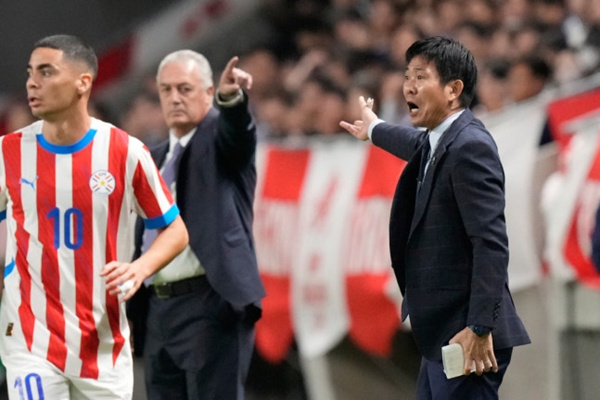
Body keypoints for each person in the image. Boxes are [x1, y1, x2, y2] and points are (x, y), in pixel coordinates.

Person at [340, 36, 530, 399]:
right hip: (442, 334)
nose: (408, 86)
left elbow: (490, 243)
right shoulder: (439, 139)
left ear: (453, 90)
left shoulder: (470, 146)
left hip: (467, 334)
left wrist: (479, 326)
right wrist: (374, 129)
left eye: (420, 77)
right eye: (406, 76)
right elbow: (413, 144)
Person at [0, 34, 189, 399]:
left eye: (46, 72)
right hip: (30, 339)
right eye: (29, 72)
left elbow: (175, 230)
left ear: (82, 82)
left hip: (103, 344)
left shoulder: (125, 151)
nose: (32, 83)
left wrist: (140, 268)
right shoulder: (8, 152)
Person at [130, 49, 266, 400]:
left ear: (208, 93)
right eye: (166, 89)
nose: (175, 97)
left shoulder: (219, 140)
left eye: (185, 88)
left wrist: (231, 101)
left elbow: (239, 134)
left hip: (211, 302)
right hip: (158, 309)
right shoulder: (152, 157)